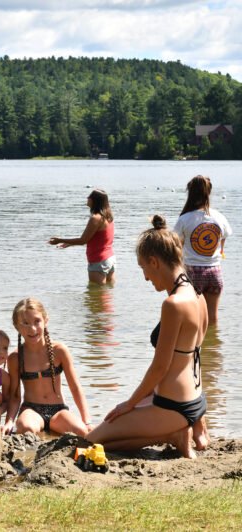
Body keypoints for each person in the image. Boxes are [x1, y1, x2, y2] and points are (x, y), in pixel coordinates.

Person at [87, 216, 209, 458]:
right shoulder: (198, 295)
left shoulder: (173, 304)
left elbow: (160, 368)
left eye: (143, 268)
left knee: (89, 442)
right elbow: (194, 357)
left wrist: (130, 404)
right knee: (111, 422)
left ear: (154, 262)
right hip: (194, 400)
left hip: (173, 407)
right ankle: (179, 429)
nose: (145, 277)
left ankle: (172, 434)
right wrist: (198, 415)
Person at [4, 298, 91, 436]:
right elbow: (15, 397)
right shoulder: (15, 357)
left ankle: (49, 434)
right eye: (25, 323)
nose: (32, 329)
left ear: (46, 320)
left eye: (37, 321)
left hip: (58, 410)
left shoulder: (59, 351)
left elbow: (75, 388)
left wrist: (87, 421)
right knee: (26, 428)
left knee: (81, 432)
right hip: (31, 410)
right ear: (16, 327)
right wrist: (9, 421)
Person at [174, 175, 232, 325]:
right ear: (208, 193)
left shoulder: (184, 219)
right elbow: (223, 239)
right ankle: (212, 346)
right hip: (215, 272)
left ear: (190, 193)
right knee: (212, 317)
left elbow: (175, 245)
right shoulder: (219, 217)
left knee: (193, 318)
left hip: (192, 272)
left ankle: (195, 347)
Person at [48, 189, 116, 285]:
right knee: (108, 294)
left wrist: (59, 240)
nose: (87, 198)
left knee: (96, 295)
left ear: (94, 200)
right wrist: (69, 243)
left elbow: (83, 240)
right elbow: (97, 239)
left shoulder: (95, 218)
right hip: (110, 259)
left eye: (89, 196)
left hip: (98, 261)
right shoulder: (108, 217)